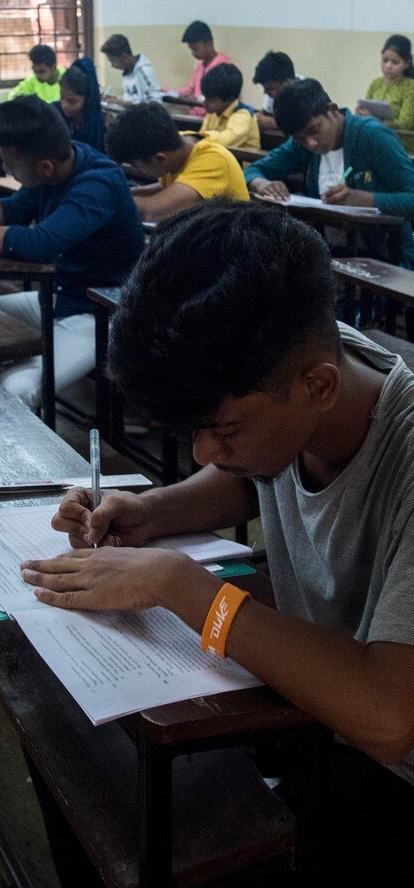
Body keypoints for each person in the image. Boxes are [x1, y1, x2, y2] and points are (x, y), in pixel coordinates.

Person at [25, 203, 414, 888]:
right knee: (70, 743)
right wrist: (150, 510)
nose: (205, 451)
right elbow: (262, 474)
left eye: (221, 429)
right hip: (319, 706)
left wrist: (185, 587)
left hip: (388, 764)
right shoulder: (309, 366)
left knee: (175, 840)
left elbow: (389, 719)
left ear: (318, 386)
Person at [0, 98, 143, 412]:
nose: (5, 169)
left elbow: (41, 243)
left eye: (9, 163)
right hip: (61, 297)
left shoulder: (98, 184)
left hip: (100, 313)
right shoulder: (57, 165)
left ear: (45, 166)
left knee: (15, 391)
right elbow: (14, 209)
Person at [245, 79, 414, 267]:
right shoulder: (303, 144)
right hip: (331, 256)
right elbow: (253, 170)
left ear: (332, 110)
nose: (311, 143)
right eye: (300, 139)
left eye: (314, 131)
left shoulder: (373, 136)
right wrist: (261, 183)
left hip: (386, 258)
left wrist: (365, 199)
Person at [107, 102, 249, 222]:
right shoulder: (178, 144)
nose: (136, 169)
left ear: (160, 158)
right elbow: (173, 186)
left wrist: (108, 197)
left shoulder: (213, 161)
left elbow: (151, 212)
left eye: (136, 166)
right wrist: (131, 192)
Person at [359, 35, 414, 153]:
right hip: (376, 139)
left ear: (406, 63)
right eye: (385, 60)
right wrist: (361, 114)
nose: (388, 66)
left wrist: (378, 122)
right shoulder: (376, 83)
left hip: (401, 146)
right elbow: (365, 107)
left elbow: (406, 125)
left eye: (395, 62)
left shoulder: (410, 87)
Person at [198, 63, 260, 149]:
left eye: (211, 100)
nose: (205, 103)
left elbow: (224, 142)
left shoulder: (243, 115)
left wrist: (196, 138)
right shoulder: (212, 112)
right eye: (205, 97)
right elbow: (201, 137)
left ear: (229, 99)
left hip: (242, 161)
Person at [100, 33, 162, 105]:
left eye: (113, 61)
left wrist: (121, 103)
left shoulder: (144, 72)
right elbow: (132, 98)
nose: (112, 65)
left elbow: (154, 105)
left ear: (124, 57)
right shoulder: (128, 73)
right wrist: (113, 99)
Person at [56, 62, 105, 151]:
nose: (64, 105)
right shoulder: (56, 113)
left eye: (72, 101)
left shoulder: (101, 125)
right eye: (62, 97)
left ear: (88, 99)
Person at [180, 20, 230, 100]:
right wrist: (162, 91)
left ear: (208, 43)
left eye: (195, 49)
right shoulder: (200, 67)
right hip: (193, 112)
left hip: (210, 112)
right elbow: (189, 90)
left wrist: (196, 100)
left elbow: (219, 100)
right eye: (191, 50)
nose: (193, 53)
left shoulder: (223, 67)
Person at [252, 50, 296, 134]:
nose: (265, 92)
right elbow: (264, 113)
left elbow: (305, 124)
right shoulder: (274, 93)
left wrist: (273, 123)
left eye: (270, 88)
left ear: (288, 83)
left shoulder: (307, 92)